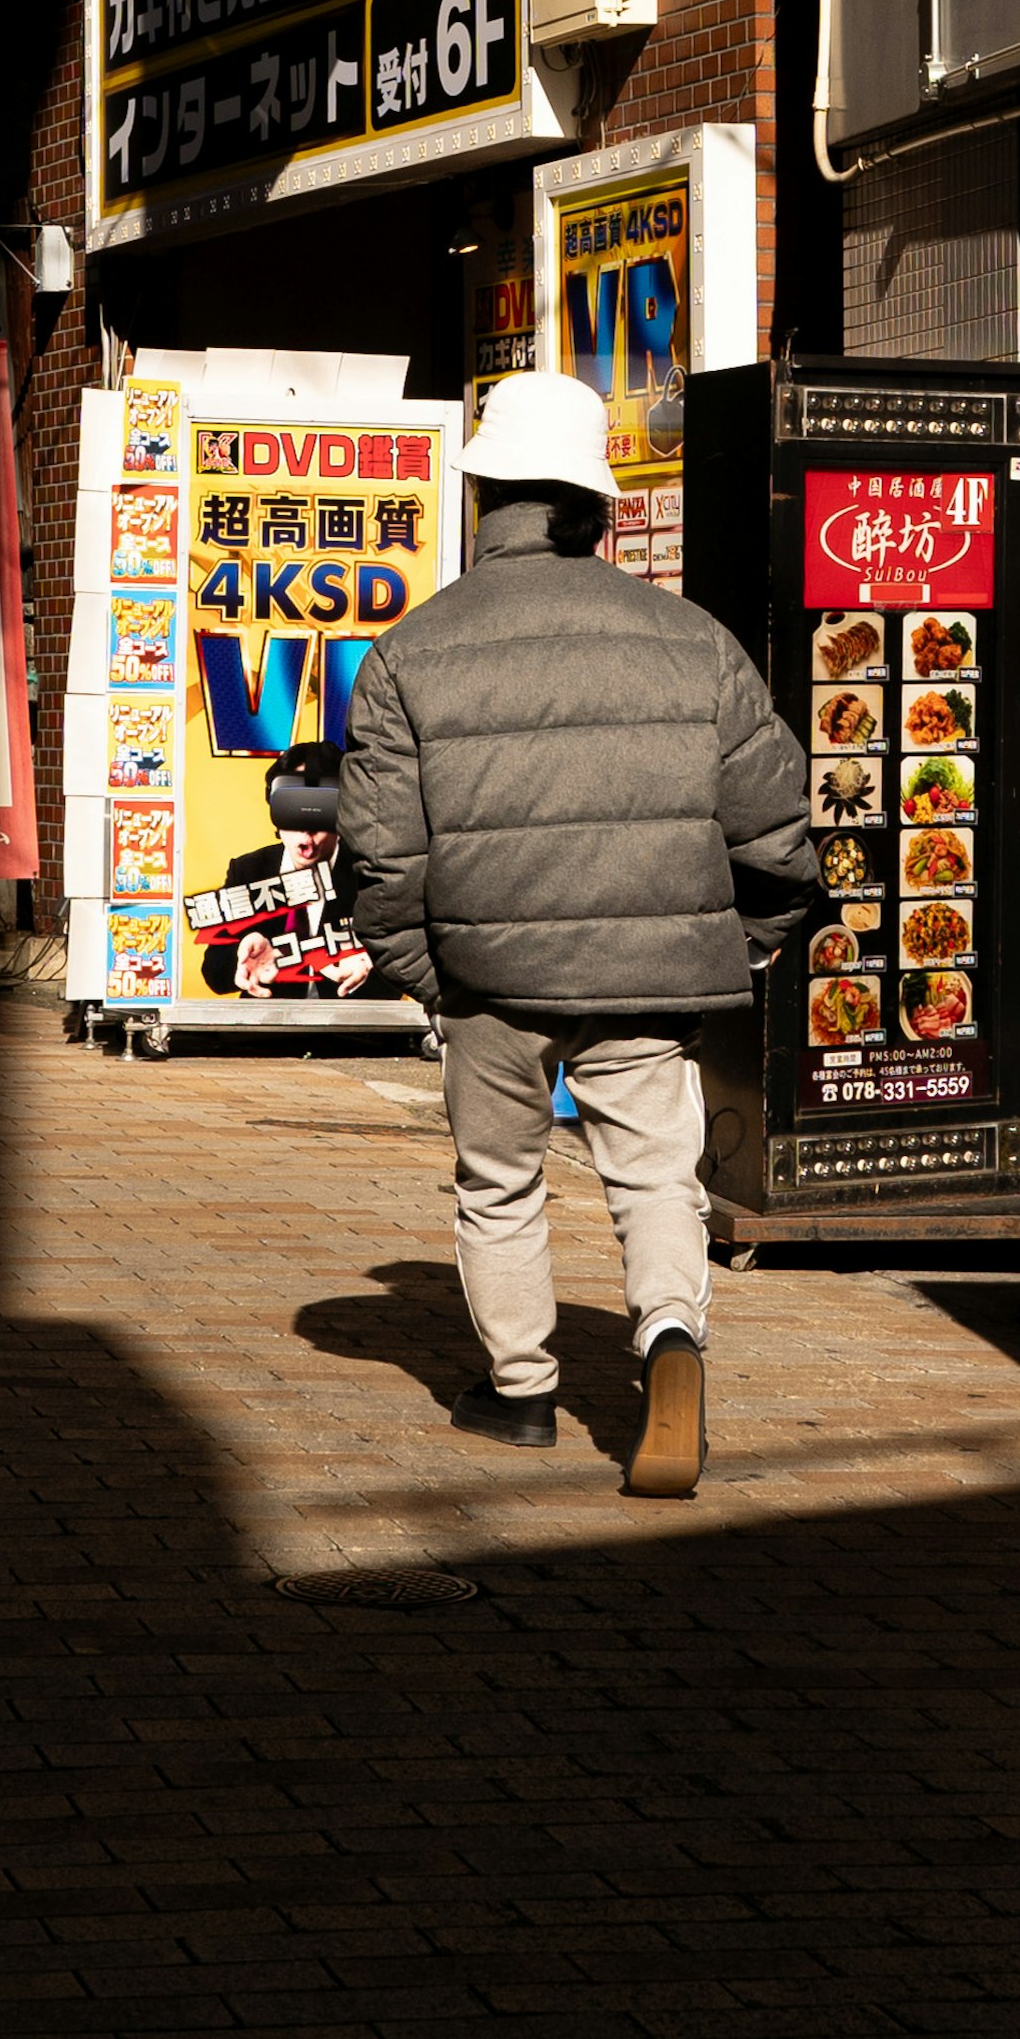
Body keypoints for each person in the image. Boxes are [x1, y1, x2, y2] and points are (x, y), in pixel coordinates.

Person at [333, 368, 819, 1497]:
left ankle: (520, 1392)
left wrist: (425, 970)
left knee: (499, 1179)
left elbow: (382, 852)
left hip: (488, 972)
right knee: (656, 1177)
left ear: (483, 498)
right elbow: (775, 824)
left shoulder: (412, 649)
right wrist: (744, 937)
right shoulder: (690, 638)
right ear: (599, 509)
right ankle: (671, 1346)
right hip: (651, 972)